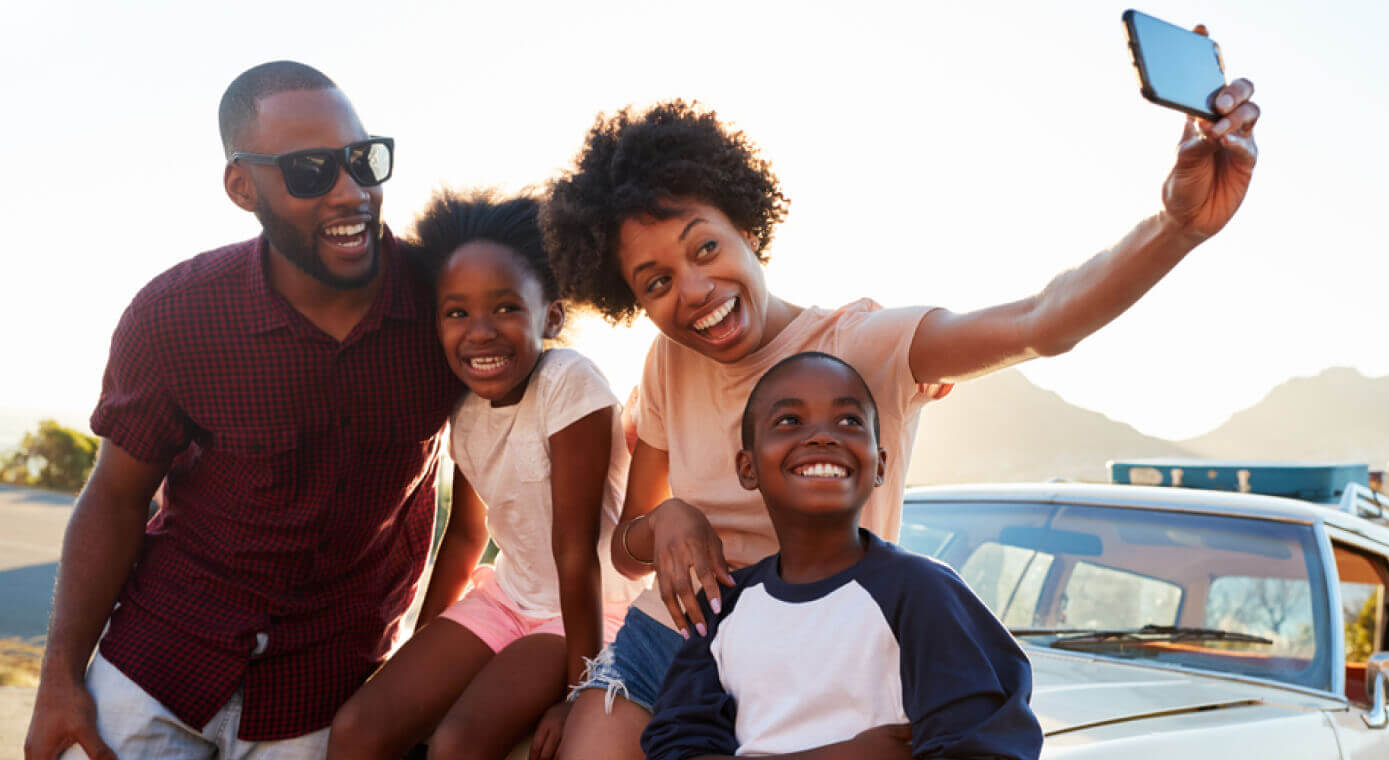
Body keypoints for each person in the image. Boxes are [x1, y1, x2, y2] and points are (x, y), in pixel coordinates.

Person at [542, 73, 1258, 758]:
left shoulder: (861, 345)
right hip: (674, 642)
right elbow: (625, 545)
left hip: (822, 663)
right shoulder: (669, 362)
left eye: (706, 248)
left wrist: (1178, 227)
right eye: (657, 282)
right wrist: (669, 519)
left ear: (748, 230)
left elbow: (1043, 321)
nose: (693, 291)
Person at [24, 61, 463, 760]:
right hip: (157, 663)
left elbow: (492, 494)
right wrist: (58, 681)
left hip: (328, 690)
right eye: (311, 171)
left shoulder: (447, 309)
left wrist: (431, 670)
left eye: (364, 161)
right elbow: (114, 496)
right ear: (241, 186)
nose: (351, 192)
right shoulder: (174, 315)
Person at [326, 189, 646, 760]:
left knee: (455, 745)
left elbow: (574, 552)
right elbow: (468, 535)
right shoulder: (464, 405)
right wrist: (419, 652)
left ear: (550, 315)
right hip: (507, 596)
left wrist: (581, 692)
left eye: (504, 307)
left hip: (586, 612)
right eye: (457, 312)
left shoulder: (569, 382)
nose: (480, 331)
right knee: (357, 730)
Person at [641, 352, 1042, 760]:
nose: (822, 436)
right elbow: (677, 750)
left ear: (881, 464)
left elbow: (985, 745)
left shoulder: (922, 593)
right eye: (789, 421)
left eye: (849, 421)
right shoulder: (724, 608)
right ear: (748, 468)